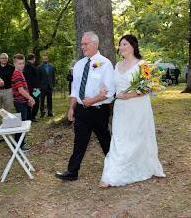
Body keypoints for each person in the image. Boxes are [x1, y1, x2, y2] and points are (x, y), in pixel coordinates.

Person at [98, 34, 166, 188]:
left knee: (137, 137)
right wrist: (104, 88)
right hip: (121, 108)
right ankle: (112, 175)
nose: (121, 47)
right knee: (119, 138)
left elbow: (148, 87)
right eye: (120, 45)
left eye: (124, 44)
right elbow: (113, 86)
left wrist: (128, 95)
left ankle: (139, 166)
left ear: (133, 46)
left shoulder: (142, 64)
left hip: (137, 107)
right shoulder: (117, 65)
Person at [55, 31, 115, 181]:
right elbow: (75, 89)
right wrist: (71, 108)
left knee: (105, 140)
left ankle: (115, 168)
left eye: (85, 44)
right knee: (80, 141)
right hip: (81, 110)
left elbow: (110, 91)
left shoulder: (105, 63)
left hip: (99, 111)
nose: (83, 46)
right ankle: (72, 172)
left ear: (95, 44)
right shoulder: (79, 65)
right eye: (82, 44)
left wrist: (92, 101)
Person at [11, 54, 35, 151]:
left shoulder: (20, 73)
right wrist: (31, 98)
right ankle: (18, 145)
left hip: (23, 101)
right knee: (20, 124)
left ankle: (21, 141)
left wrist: (27, 99)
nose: (21, 65)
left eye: (23, 63)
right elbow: (21, 90)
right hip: (19, 102)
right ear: (15, 64)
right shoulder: (16, 74)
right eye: (19, 63)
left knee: (23, 122)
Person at [0, 53, 15, 126]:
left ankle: (7, 122)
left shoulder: (11, 67)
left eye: (5, 58)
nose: (4, 59)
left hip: (8, 90)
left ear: (7, 59)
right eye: (2, 58)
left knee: (8, 107)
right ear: (0, 59)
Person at [24, 53, 40, 122]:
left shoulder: (28, 66)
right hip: (33, 88)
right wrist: (35, 87)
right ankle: (32, 116)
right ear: (33, 58)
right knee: (35, 101)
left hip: (32, 87)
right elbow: (31, 78)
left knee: (33, 101)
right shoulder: (29, 66)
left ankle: (30, 116)